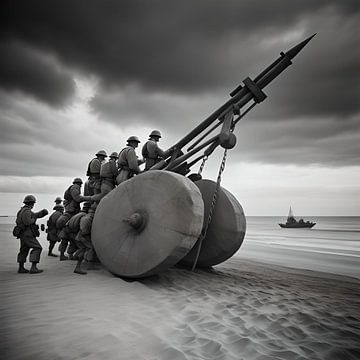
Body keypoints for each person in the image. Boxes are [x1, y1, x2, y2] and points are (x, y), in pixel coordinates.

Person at [15, 195, 48, 274]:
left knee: (24, 249)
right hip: (28, 233)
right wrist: (34, 219)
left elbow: (33, 215)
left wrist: (41, 213)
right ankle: (33, 267)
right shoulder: (27, 211)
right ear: (32, 203)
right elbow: (28, 221)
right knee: (37, 248)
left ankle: (21, 268)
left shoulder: (22, 210)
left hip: (22, 233)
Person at [73, 203, 97, 275]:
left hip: (80, 236)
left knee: (83, 249)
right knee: (90, 248)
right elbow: (84, 230)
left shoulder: (86, 216)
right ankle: (79, 267)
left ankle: (78, 262)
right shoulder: (88, 218)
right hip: (83, 237)